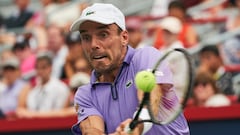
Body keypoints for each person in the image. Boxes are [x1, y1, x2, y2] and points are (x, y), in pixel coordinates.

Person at [70, 3, 189, 135]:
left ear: (124, 38)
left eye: (103, 35)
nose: (93, 45)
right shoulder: (85, 95)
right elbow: (92, 130)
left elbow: (150, 99)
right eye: (86, 37)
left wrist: (137, 125)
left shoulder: (146, 56)